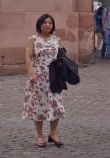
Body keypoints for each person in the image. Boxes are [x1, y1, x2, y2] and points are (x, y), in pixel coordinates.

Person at [22, 14, 66, 148]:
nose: (47, 25)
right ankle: (40, 135)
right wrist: (32, 73)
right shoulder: (33, 39)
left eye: (50, 23)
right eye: (44, 22)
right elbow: (28, 57)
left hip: (54, 76)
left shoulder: (57, 39)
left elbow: (61, 57)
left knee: (56, 104)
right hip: (38, 76)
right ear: (39, 24)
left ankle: (53, 134)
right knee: (38, 106)